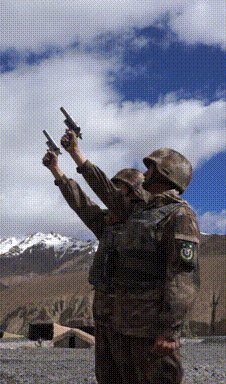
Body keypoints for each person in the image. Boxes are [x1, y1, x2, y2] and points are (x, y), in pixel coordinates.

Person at [60, 129, 200, 384]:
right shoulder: (138, 214)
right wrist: (75, 155)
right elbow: (102, 193)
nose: (145, 172)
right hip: (121, 323)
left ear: (165, 173)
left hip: (149, 328)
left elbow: (182, 278)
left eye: (151, 168)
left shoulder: (179, 216)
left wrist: (169, 330)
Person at [42, 148, 145, 383]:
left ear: (135, 195)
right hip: (105, 312)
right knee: (107, 373)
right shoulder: (108, 225)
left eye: (121, 190)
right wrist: (56, 171)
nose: (114, 195)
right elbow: (81, 204)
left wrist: (75, 153)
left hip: (135, 314)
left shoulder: (142, 225)